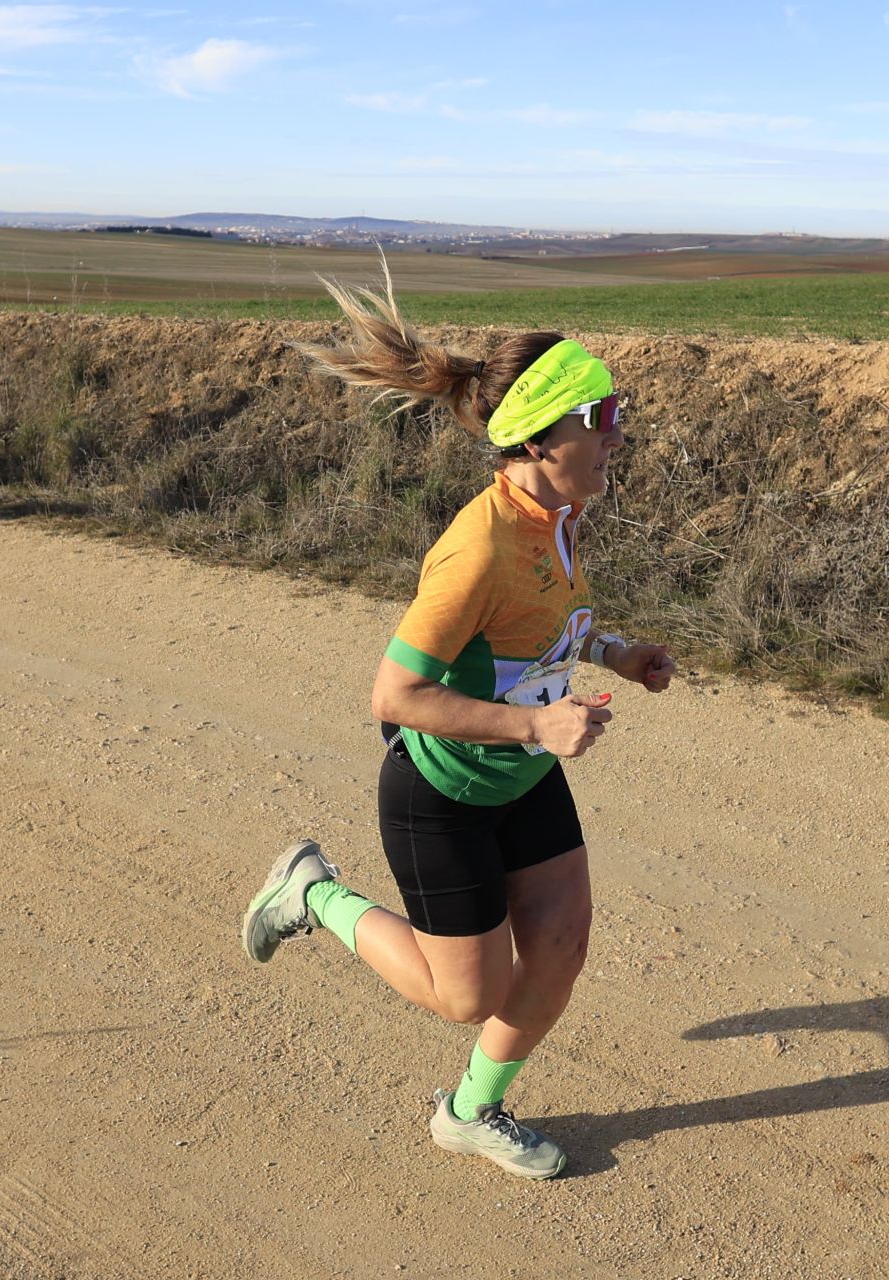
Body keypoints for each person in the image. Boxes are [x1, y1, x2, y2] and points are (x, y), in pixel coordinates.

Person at [242, 274, 676, 1180]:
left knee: (560, 948)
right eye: (600, 416)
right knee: (466, 996)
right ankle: (312, 892)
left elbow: (549, 628)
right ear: (541, 436)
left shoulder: (558, 516)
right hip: (441, 792)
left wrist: (622, 653)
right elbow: (393, 696)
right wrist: (533, 731)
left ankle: (472, 1112)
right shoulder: (476, 547)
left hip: (520, 775)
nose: (616, 433)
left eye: (614, 411)